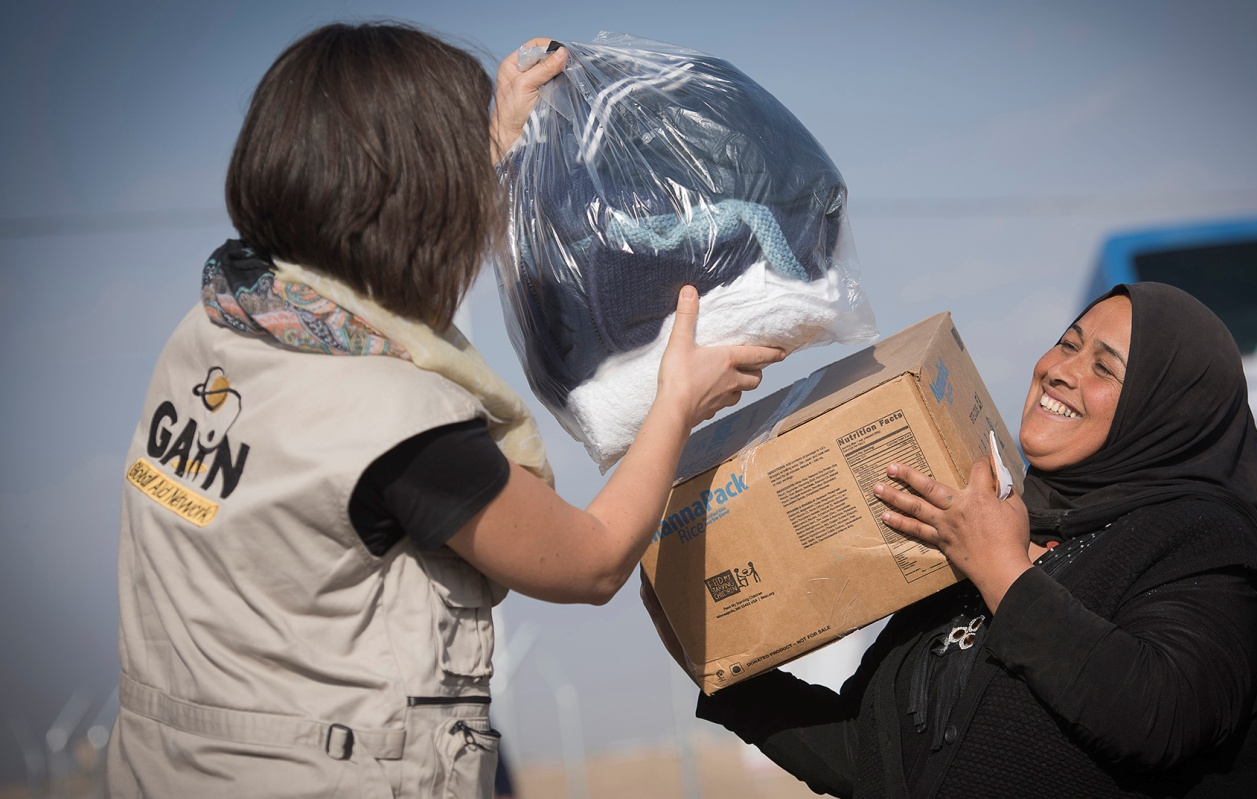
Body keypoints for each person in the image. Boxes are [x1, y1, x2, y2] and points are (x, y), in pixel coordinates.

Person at [109, 22, 783, 798]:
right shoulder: (401, 425)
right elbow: (591, 560)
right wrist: (676, 401)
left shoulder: (216, 329)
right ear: (423, 203)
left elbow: (372, 302)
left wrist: (494, 143)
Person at [664, 282, 1257, 798]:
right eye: (1067, 343)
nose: (1062, 370)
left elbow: (1157, 715)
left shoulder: (1205, 546)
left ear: (1164, 411)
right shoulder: (986, 525)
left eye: (1103, 367)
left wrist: (1002, 570)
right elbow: (876, 757)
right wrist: (723, 668)